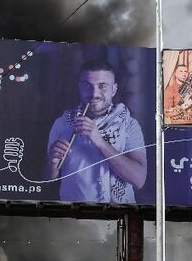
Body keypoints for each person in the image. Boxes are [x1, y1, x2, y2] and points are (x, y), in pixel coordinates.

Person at [47, 59, 146, 204]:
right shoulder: (61, 123)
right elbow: (48, 179)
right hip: (75, 216)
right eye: (87, 85)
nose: (94, 93)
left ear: (114, 89)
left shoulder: (129, 125)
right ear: (79, 87)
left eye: (102, 86)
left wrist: (99, 141)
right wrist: (52, 165)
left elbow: (139, 179)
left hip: (119, 216)